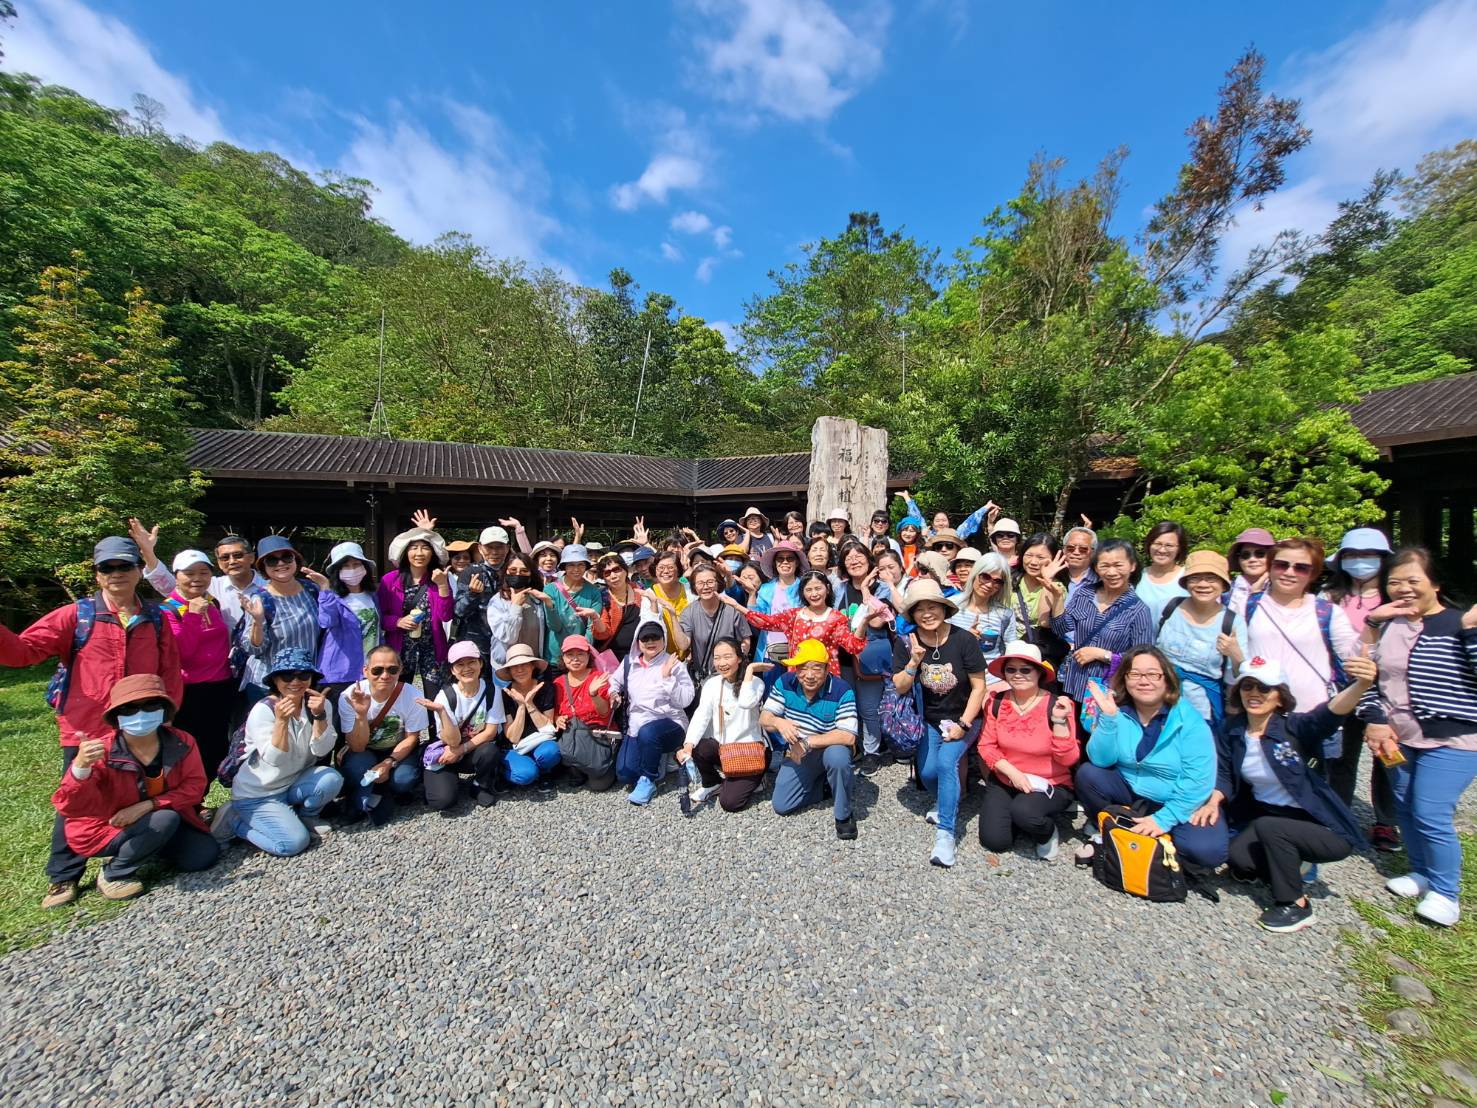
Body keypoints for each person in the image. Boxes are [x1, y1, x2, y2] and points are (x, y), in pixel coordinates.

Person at [0, 536, 184, 909]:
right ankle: (63, 876)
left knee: (139, 792)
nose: (116, 574)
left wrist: (167, 716)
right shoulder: (76, 615)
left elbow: (169, 672)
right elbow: (23, 653)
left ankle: (122, 861)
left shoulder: (156, 618)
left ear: (137, 570)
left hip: (141, 724)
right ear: (97, 574)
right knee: (78, 799)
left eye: (124, 566)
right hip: (86, 727)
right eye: (107, 568)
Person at [1191, 655, 1378, 932]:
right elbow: (1225, 773)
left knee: (1271, 828)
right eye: (1247, 686)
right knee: (1239, 860)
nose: (1254, 693)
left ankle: (1295, 904)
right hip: (1268, 818)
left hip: (1319, 826)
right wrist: (1215, 798)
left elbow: (1329, 713)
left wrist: (1361, 685)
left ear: (1280, 697)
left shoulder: (1295, 728)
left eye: (1264, 688)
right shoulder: (1232, 729)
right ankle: (1287, 862)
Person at [1358, 548, 1477, 927]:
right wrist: (1375, 719)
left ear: (1435, 584)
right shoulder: (1390, 625)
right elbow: (1365, 676)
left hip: (1453, 738)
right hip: (1397, 736)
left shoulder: (1460, 622)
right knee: (1405, 804)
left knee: (1431, 811)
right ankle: (1422, 871)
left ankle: (1446, 893)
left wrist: (1473, 633)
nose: (1403, 588)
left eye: (1413, 580)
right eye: (1395, 582)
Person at [50, 674, 218, 902]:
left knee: (202, 855)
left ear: (164, 710)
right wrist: (80, 768)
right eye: (129, 708)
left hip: (159, 818)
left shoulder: (182, 741)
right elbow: (71, 807)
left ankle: (148, 849)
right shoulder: (103, 750)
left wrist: (148, 805)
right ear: (116, 716)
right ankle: (114, 873)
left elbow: (194, 787)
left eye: (151, 705)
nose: (141, 714)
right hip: (108, 827)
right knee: (164, 819)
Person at [1073, 646, 1227, 872]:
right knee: (1088, 775)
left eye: (1153, 674)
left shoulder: (1188, 720)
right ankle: (1119, 826)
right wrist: (1108, 719)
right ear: (1125, 679)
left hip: (1174, 798)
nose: (1143, 681)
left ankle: (1148, 835)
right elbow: (1100, 760)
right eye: (1134, 674)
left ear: (1167, 679)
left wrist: (1164, 819)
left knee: (1207, 851)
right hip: (1130, 790)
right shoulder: (1121, 711)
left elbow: (1198, 780)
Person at [892, 579, 987, 868]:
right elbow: (900, 687)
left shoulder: (964, 640)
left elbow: (979, 687)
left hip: (965, 716)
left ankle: (946, 833)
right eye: (920, 610)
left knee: (947, 764)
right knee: (928, 773)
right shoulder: (907, 642)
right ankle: (947, 798)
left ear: (944, 609)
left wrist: (963, 723)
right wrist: (913, 661)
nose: (927, 614)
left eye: (933, 607)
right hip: (930, 720)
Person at [214, 648, 342, 855]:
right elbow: (275, 759)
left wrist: (319, 716)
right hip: (258, 793)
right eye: (287, 675)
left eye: (303, 675)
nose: (295, 681)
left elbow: (322, 750)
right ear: (275, 680)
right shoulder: (263, 710)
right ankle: (235, 821)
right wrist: (281, 722)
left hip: (292, 781)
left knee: (331, 778)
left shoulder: (319, 705)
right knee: (292, 844)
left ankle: (306, 816)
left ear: (312, 678)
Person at [1320, 526, 1400, 850]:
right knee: (1341, 756)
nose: (1360, 562)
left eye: (1368, 555)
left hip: (1389, 687)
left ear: (1383, 559)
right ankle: (1338, 815)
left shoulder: (1394, 596)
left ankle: (1387, 821)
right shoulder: (1330, 596)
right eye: (1351, 555)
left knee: (1388, 755)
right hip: (1342, 686)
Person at [976, 642, 1079, 859]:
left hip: (1050, 782)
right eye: (1011, 669)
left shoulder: (1057, 705)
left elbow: (1068, 758)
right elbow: (986, 745)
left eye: (1025, 669)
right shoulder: (996, 702)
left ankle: (1046, 832)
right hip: (1007, 778)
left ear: (1039, 673)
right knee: (995, 841)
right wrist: (1013, 774)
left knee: (1025, 812)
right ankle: (1021, 816)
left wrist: (1060, 723)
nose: (1018, 675)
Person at [1244, 537, 1357, 717]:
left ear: (1313, 574)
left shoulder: (1328, 612)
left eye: (1301, 568)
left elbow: (1352, 657)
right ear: (1270, 567)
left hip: (1314, 715)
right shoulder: (1247, 606)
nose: (1289, 572)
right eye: (1281, 565)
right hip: (1260, 716)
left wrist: (1372, 626)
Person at [761, 639, 859, 840]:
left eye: (816, 668)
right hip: (800, 753)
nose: (810, 675)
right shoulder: (785, 682)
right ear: (796, 668)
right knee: (782, 805)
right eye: (803, 668)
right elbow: (764, 718)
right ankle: (827, 786)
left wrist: (806, 742)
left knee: (838, 756)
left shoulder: (842, 689)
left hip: (827, 747)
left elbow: (848, 735)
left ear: (827, 668)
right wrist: (780, 723)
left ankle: (843, 815)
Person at [158, 549, 235, 786]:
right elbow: (183, 654)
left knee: (217, 747)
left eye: (203, 572)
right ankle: (186, 803)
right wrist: (191, 615)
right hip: (190, 691)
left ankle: (199, 798)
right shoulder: (168, 610)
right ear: (176, 576)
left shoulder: (213, 602)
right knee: (190, 749)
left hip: (221, 686)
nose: (197, 578)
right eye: (189, 573)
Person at [1053, 539, 1155, 705]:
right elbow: (1061, 628)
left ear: (1132, 566)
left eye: (1118, 565)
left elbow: (1142, 658)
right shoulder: (1084, 594)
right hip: (1073, 685)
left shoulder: (1138, 610)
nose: (1112, 572)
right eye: (1105, 566)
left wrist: (1103, 655)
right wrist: (1057, 599)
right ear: (1096, 568)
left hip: (1108, 692)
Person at [338, 644, 429, 824]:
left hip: (396, 750)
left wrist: (389, 762)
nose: (385, 676)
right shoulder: (349, 696)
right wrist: (361, 715)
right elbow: (357, 746)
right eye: (377, 670)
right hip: (365, 750)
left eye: (392, 670)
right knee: (356, 768)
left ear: (401, 670)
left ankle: (383, 789)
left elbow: (411, 737)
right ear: (365, 670)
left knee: (404, 780)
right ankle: (369, 792)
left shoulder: (412, 695)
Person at [1154, 550, 1248, 725]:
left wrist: (1235, 654)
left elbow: (1238, 675)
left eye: (1211, 578)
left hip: (1201, 709)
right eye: (1195, 578)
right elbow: (1145, 648)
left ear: (1223, 584)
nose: (1203, 584)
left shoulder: (1233, 622)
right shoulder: (1167, 608)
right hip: (1157, 700)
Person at [608, 621, 694, 806]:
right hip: (636, 726)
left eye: (655, 637)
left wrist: (667, 678)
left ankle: (649, 780)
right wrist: (614, 693)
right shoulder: (629, 663)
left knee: (649, 733)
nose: (650, 641)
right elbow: (613, 681)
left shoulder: (673, 664)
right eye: (645, 638)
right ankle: (661, 758)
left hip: (670, 723)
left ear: (663, 640)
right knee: (625, 773)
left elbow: (685, 700)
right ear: (638, 642)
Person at [235, 535, 330, 703]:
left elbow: (329, 625)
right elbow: (254, 649)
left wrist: (326, 588)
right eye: (272, 560)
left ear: (295, 559)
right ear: (263, 567)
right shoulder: (261, 599)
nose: (280, 564)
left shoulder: (311, 590)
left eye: (286, 557)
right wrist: (257, 621)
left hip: (304, 682)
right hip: (269, 686)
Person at [681, 639, 772, 813]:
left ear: (739, 658)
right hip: (725, 749)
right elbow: (702, 714)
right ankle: (712, 782)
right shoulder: (712, 684)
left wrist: (750, 670)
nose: (721, 663)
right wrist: (688, 745)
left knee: (730, 803)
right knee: (699, 747)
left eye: (727, 657)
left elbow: (746, 702)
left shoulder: (755, 683)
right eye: (717, 658)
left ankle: (758, 777)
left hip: (751, 751)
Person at [723, 571, 866, 678]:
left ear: (827, 589)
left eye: (818, 588)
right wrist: (737, 606)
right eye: (808, 590)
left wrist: (865, 620)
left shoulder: (836, 618)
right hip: (798, 676)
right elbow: (766, 622)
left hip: (826, 676)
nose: (814, 594)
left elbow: (852, 645)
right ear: (802, 593)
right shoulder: (794, 615)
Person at [422, 641, 507, 811]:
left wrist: (461, 750)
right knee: (443, 802)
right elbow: (452, 742)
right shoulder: (445, 697)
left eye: (471, 662)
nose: (466, 668)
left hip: (470, 751)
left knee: (490, 750)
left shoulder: (492, 691)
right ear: (452, 670)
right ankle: (437, 779)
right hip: (447, 752)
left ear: (480, 664)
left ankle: (479, 784)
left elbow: (490, 732)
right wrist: (442, 713)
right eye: (460, 665)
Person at [377, 526, 454, 700]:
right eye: (414, 548)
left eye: (425, 548)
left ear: (432, 553)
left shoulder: (439, 578)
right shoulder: (390, 580)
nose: (419, 553)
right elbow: (380, 616)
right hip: (401, 648)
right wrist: (397, 622)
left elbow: (446, 615)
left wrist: (442, 586)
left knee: (435, 698)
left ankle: (436, 728)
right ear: (405, 552)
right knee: (398, 696)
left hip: (432, 648)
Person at [674, 564, 753, 688]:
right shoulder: (689, 612)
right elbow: (684, 645)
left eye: (710, 582)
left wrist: (735, 660)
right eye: (700, 583)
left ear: (718, 583)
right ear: (694, 587)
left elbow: (745, 639)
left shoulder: (732, 609)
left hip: (731, 677)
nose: (705, 587)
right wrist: (673, 617)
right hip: (704, 677)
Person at [948, 553, 1020, 689]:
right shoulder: (950, 607)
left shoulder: (1005, 614)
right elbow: (937, 643)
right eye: (985, 577)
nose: (989, 584)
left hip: (991, 684)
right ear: (975, 574)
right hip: (955, 682)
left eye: (997, 581)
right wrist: (964, 639)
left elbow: (1011, 651)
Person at [496, 643, 562, 788]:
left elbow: (547, 727)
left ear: (533, 666)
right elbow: (512, 737)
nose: (520, 670)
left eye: (524, 664)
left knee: (551, 752)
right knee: (526, 775)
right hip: (515, 746)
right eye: (514, 666)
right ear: (509, 670)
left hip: (541, 740)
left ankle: (544, 771)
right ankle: (502, 770)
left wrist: (530, 704)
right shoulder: (504, 694)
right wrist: (521, 706)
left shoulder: (546, 687)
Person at [484, 552, 557, 667]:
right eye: (513, 570)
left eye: (524, 571)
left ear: (531, 574)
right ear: (505, 572)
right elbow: (508, 637)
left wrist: (549, 603)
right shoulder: (497, 601)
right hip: (506, 667)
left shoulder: (537, 599)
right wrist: (515, 607)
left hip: (534, 665)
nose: (518, 574)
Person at [1012, 533, 1070, 676]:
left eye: (1041, 557)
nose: (1033, 562)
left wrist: (1047, 580)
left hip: (1036, 656)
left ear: (1053, 559)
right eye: (1029, 555)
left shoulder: (1056, 587)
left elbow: (1044, 621)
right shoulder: (1011, 580)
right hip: (1008, 650)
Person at [325, 541, 381, 690]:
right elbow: (326, 621)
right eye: (345, 566)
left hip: (370, 669)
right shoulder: (332, 597)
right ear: (337, 571)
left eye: (356, 564)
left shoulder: (372, 596)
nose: (352, 570)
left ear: (364, 567)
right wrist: (324, 591)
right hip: (341, 672)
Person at [593, 551, 661, 661]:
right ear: (603, 578)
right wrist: (595, 618)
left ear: (625, 570)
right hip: (612, 658)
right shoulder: (602, 598)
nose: (613, 576)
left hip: (643, 655)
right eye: (607, 573)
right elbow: (602, 635)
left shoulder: (641, 591)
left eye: (616, 570)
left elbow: (653, 621)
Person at [545, 543, 603, 643]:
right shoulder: (550, 589)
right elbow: (555, 627)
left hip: (582, 652)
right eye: (571, 565)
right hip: (555, 653)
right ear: (564, 566)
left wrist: (581, 650)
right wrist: (550, 606)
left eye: (581, 564)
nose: (576, 569)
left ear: (586, 566)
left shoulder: (594, 592)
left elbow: (591, 628)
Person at [1135, 521, 1189, 626]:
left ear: (1179, 549)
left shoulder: (1187, 577)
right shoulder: (1137, 576)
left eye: (1169, 545)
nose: (1162, 550)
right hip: (1140, 641)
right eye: (1157, 544)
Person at [1226, 528, 1276, 615]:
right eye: (1245, 555)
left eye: (1260, 554)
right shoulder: (1225, 591)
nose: (1252, 559)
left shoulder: (1282, 588)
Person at [1061, 526, 1098, 597]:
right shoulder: (1055, 576)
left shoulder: (1101, 580)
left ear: (1093, 552)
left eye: (1083, 549)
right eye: (1070, 548)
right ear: (1064, 550)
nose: (1076, 552)